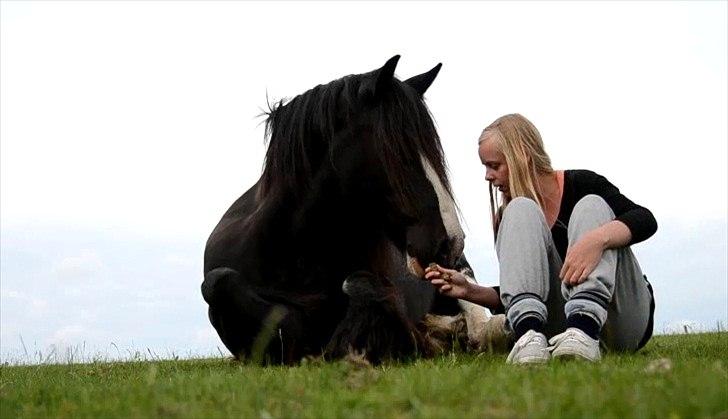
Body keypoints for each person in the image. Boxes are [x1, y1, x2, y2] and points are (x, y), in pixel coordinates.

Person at [425, 113, 656, 364]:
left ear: (521, 157)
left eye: (494, 165)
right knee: (519, 209)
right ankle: (528, 339)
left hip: (620, 320)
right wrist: (469, 290)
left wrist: (597, 239)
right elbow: (527, 291)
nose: (488, 176)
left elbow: (645, 219)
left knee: (590, 206)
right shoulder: (509, 216)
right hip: (560, 330)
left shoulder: (583, 183)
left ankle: (585, 329)